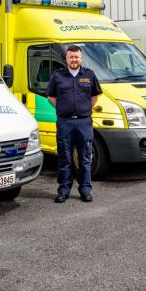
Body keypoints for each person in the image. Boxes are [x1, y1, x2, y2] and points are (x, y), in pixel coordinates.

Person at [46, 45, 102, 203]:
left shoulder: (89, 75)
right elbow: (50, 96)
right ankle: (63, 190)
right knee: (64, 158)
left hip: (84, 122)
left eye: (77, 57)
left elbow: (94, 96)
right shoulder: (58, 76)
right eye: (71, 57)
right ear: (66, 59)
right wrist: (62, 108)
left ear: (81, 58)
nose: (74, 60)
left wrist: (85, 109)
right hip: (65, 122)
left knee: (85, 158)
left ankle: (85, 190)